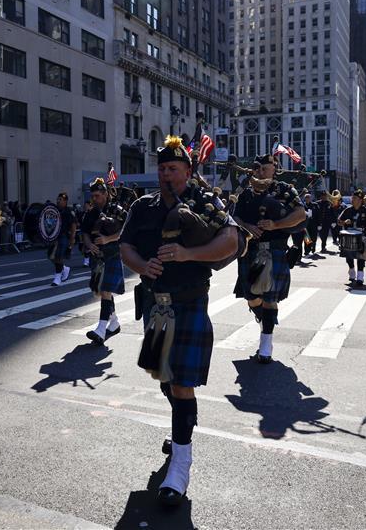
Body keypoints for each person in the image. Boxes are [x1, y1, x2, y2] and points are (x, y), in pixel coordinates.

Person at [120, 135, 241, 508]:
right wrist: (143, 266)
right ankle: (180, 431)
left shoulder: (205, 202)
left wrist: (189, 254)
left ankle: (181, 465)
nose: (166, 174)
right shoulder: (142, 206)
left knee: (181, 384)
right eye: (162, 168)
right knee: (166, 381)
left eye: (173, 168)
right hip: (155, 307)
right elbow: (125, 247)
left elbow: (232, 241)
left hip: (188, 303)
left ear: (188, 171)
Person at [232, 153, 306, 363]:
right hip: (250, 251)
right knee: (252, 297)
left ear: (275, 168)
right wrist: (247, 226)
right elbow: (235, 217)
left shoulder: (285, 190)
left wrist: (276, 225)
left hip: (275, 250)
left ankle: (266, 344)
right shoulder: (246, 192)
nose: (261, 171)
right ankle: (264, 319)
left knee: (270, 298)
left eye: (266, 167)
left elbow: (300, 214)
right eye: (259, 168)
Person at [80, 178, 124, 344]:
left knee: (105, 290)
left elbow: (125, 230)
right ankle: (114, 322)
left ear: (105, 194)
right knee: (102, 291)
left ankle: (100, 329)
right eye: (93, 196)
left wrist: (107, 239)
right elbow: (85, 232)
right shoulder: (91, 213)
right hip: (97, 257)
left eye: (97, 195)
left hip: (112, 254)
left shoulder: (116, 210)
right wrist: (89, 244)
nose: (94, 199)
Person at [336, 189, 366, 285]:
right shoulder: (347, 210)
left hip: (361, 236)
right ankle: (352, 271)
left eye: (354, 198)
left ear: (360, 200)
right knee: (348, 256)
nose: (352, 199)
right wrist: (344, 222)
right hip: (348, 236)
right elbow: (339, 221)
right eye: (352, 198)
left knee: (361, 257)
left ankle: (360, 277)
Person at [47, 192, 77, 286]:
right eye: (57, 199)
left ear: (65, 201)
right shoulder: (54, 210)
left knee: (59, 256)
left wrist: (72, 240)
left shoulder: (69, 212)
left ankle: (57, 277)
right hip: (54, 236)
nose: (58, 201)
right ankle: (64, 268)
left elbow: (73, 226)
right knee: (50, 256)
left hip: (64, 236)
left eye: (60, 200)